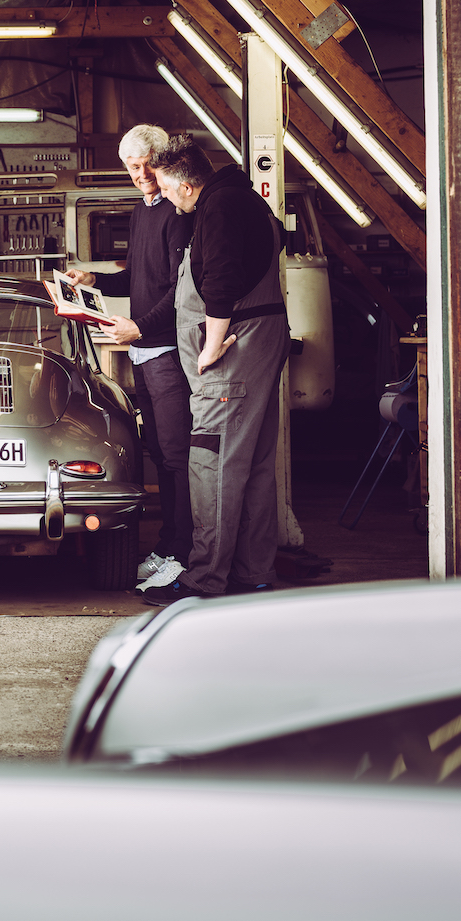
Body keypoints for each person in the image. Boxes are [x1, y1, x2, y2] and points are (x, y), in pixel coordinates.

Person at [141, 134, 290, 604]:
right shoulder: (245, 198)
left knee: (213, 461)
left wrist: (209, 347)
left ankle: (205, 579)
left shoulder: (220, 207)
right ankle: (254, 569)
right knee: (254, 462)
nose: (161, 195)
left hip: (234, 351)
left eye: (164, 186)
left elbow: (222, 277)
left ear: (185, 185)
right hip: (261, 340)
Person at [67, 125, 193, 591]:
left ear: (162, 161)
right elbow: (140, 279)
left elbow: (183, 290)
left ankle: (182, 553)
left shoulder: (179, 215)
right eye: (131, 167)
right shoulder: (143, 214)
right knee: (159, 451)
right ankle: (168, 546)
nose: (140, 175)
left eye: (146, 165)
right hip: (144, 350)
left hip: (166, 349)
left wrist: (141, 326)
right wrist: (94, 281)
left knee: (177, 455)